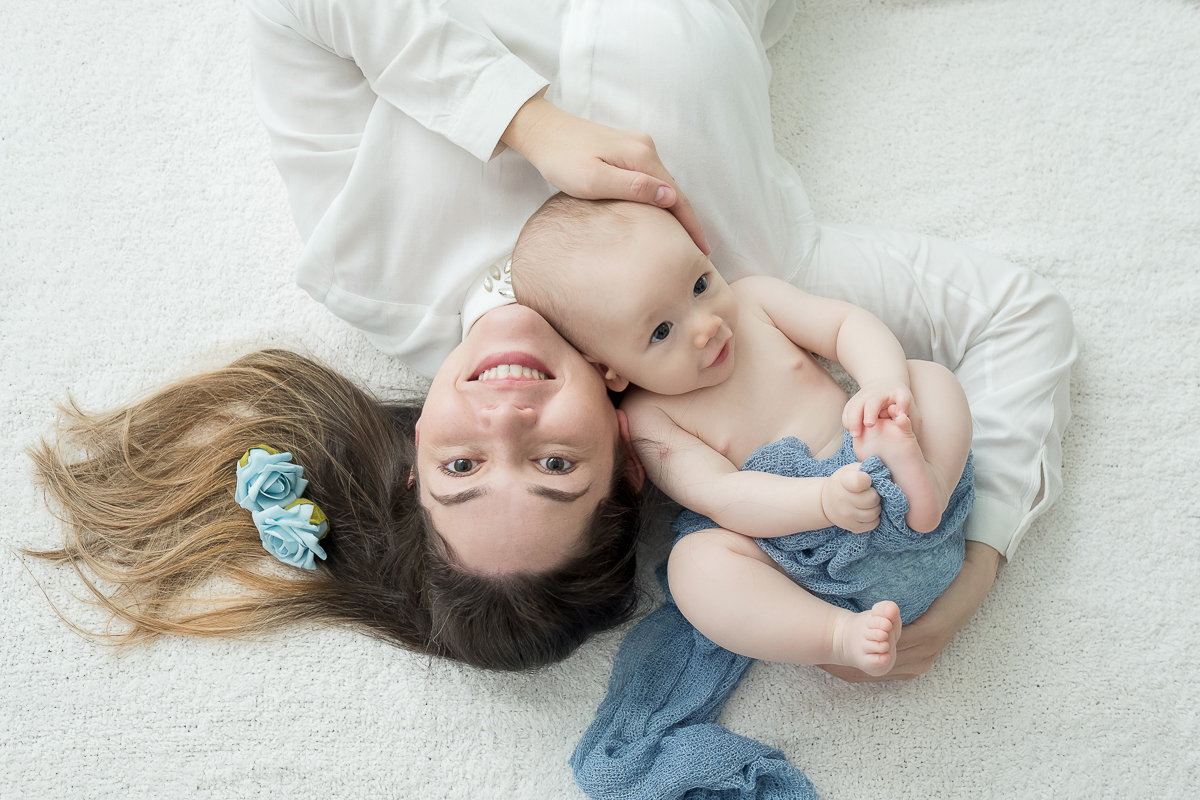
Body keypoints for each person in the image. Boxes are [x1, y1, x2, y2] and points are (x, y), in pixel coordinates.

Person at [242, 0, 1076, 682]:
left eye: (462, 469)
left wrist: (523, 119)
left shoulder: (369, 265)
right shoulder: (739, 298)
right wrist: (977, 559)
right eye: (555, 466)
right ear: (627, 458)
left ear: (418, 447)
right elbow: (1018, 318)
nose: (506, 421)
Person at [511, 194, 976, 676]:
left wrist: (882, 384)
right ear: (611, 370)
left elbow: (844, 325)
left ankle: (930, 488)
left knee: (926, 377)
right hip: (810, 557)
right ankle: (835, 635)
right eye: (662, 330)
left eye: (699, 284)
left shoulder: (755, 302)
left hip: (889, 467)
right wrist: (820, 502)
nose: (706, 327)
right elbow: (721, 495)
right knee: (695, 564)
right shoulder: (651, 420)